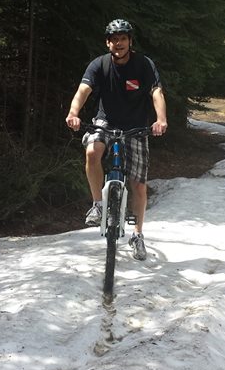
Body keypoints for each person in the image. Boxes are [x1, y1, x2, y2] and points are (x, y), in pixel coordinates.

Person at [65, 19, 168, 260]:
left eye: (123, 38)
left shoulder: (143, 65)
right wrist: (73, 113)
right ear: (108, 42)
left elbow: (157, 92)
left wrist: (160, 119)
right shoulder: (99, 65)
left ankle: (138, 234)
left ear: (130, 41)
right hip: (106, 122)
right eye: (114, 39)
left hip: (136, 127)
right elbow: (83, 91)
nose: (118, 43)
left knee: (139, 185)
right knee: (92, 151)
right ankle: (98, 205)